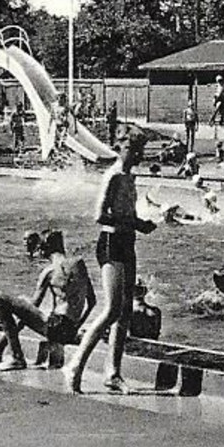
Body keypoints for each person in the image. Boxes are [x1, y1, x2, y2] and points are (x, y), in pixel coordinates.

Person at [67, 133, 159, 393]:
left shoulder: (130, 177)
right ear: (119, 148)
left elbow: (127, 211)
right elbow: (100, 216)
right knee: (111, 309)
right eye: (129, 148)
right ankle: (76, 365)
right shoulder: (114, 175)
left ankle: (113, 372)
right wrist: (136, 224)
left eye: (138, 149)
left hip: (128, 243)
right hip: (111, 244)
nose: (134, 154)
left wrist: (138, 223)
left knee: (126, 311)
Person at [0, 230, 96, 370]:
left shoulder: (49, 271)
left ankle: (16, 357)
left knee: (0, 300)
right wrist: (76, 326)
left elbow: (33, 306)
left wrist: (4, 339)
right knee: (22, 300)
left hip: (55, 329)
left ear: (44, 249)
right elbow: (92, 302)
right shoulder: (79, 266)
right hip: (70, 330)